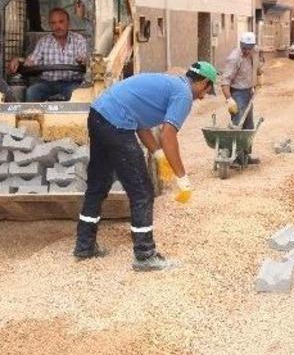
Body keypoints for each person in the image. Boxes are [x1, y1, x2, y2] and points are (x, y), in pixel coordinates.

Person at [74, 61, 219, 271]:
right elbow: (169, 135)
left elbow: (141, 123)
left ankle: (84, 246)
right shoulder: (184, 95)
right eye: (207, 90)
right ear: (204, 83)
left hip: (98, 114)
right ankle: (145, 255)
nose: (204, 96)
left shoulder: (169, 84)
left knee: (98, 184)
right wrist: (182, 177)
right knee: (142, 191)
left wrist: (157, 154)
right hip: (116, 124)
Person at [8, 7, 88, 101]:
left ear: (68, 23)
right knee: (32, 92)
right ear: (49, 25)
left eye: (61, 22)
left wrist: (84, 61)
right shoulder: (43, 42)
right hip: (47, 84)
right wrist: (18, 60)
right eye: (53, 23)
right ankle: (31, 111)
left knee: (79, 94)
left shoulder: (79, 40)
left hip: (72, 83)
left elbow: (85, 58)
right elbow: (31, 62)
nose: (57, 26)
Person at [220, 31, 263, 165]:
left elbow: (257, 65)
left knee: (249, 126)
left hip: (248, 92)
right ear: (240, 44)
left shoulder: (255, 51)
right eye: (244, 48)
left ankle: (245, 156)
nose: (246, 51)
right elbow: (225, 81)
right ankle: (235, 157)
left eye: (249, 48)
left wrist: (259, 77)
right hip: (237, 93)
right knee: (237, 125)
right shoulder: (234, 58)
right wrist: (229, 99)